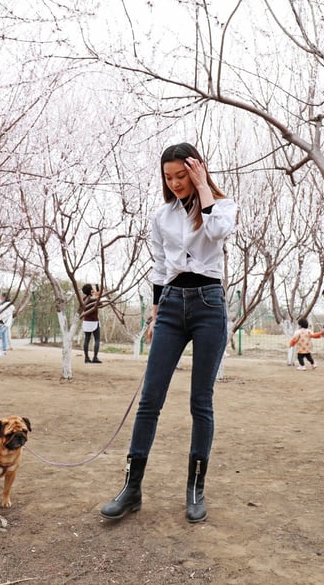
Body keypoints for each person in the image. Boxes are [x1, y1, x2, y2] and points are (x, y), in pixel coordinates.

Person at [100, 142, 236, 525]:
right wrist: (156, 311)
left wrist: (204, 188)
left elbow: (218, 232)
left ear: (196, 171)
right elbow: (160, 266)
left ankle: (195, 489)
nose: (175, 183)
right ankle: (131, 488)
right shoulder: (161, 216)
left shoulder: (223, 206)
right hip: (172, 304)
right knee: (150, 399)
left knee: (200, 402)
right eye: (168, 177)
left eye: (182, 175)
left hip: (209, 303)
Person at [81, 283, 102, 364]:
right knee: (97, 340)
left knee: (87, 340)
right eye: (92, 288)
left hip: (86, 321)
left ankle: (86, 358)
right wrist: (98, 297)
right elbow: (101, 305)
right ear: (90, 290)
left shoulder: (84, 299)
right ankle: (95, 357)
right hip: (94, 321)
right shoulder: (94, 299)